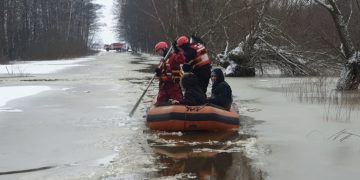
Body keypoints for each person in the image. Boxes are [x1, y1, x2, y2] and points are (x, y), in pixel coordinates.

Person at [154, 41, 185, 105]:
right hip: (164, 87)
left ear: (164, 49)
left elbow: (182, 60)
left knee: (177, 102)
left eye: (159, 51)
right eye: (157, 51)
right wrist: (158, 73)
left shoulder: (173, 57)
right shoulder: (162, 61)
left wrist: (177, 51)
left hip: (173, 86)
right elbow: (160, 76)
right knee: (159, 103)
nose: (158, 53)